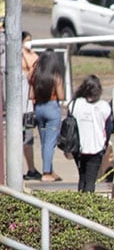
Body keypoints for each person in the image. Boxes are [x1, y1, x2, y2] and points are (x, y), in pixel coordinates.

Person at [69, 75, 112, 193]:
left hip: (78, 147)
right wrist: (105, 144)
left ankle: (80, 203)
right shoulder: (104, 106)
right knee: (90, 180)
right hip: (96, 146)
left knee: (82, 177)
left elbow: (69, 126)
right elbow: (108, 129)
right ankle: (87, 205)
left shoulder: (74, 104)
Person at [30, 49, 65, 182]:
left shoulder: (36, 76)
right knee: (50, 143)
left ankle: (50, 169)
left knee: (45, 142)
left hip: (38, 108)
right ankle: (46, 173)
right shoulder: (55, 76)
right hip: (52, 107)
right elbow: (61, 96)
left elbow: (31, 96)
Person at [21, 31, 42, 180]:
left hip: (29, 107)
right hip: (22, 108)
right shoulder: (19, 59)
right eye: (27, 40)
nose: (30, 43)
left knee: (28, 139)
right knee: (25, 139)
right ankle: (30, 168)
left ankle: (31, 168)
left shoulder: (32, 56)